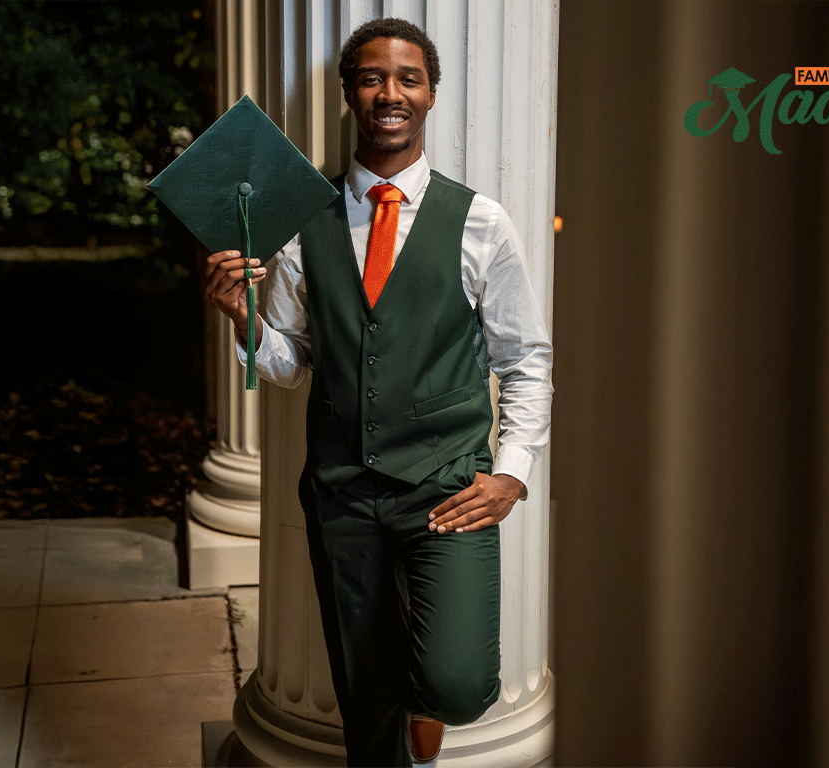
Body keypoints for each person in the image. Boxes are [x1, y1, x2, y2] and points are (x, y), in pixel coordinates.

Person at [205, 18, 552, 768]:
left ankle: (424, 709)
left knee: (458, 684)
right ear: (349, 94)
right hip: (342, 489)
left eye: (407, 78)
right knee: (365, 696)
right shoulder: (303, 221)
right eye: (371, 78)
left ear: (429, 94)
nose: (389, 93)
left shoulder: (481, 223)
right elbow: (291, 361)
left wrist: (512, 475)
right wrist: (242, 320)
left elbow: (525, 359)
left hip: (447, 484)